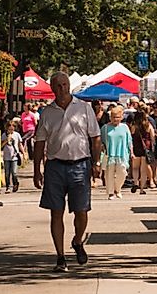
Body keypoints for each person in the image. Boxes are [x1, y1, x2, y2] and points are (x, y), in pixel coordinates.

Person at [33, 72, 101, 272]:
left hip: (80, 164)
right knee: (56, 213)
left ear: (69, 85)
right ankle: (60, 256)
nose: (62, 89)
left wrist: (96, 163)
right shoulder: (47, 112)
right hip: (55, 166)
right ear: (53, 89)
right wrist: (37, 169)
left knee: (81, 211)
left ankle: (78, 240)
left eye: (65, 84)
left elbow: (95, 137)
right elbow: (39, 142)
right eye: (58, 86)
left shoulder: (83, 108)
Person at [100, 106, 132, 199]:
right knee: (109, 174)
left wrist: (132, 152)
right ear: (110, 117)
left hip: (122, 154)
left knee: (122, 173)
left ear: (121, 117)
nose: (116, 119)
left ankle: (117, 189)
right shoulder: (105, 128)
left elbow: (129, 140)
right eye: (114, 117)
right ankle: (111, 193)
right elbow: (101, 141)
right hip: (109, 154)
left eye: (118, 117)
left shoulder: (125, 127)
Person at [129, 111, 155, 194]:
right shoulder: (148, 125)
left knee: (135, 168)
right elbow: (152, 137)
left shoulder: (134, 126)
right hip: (145, 148)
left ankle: (135, 182)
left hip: (136, 147)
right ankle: (142, 189)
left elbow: (131, 136)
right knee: (143, 170)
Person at [2, 119, 26, 193]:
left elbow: (19, 144)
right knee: (7, 173)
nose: (11, 130)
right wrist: (6, 140)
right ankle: (8, 186)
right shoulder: (4, 135)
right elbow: (1, 145)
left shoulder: (17, 135)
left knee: (14, 172)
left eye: (12, 129)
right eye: (9, 129)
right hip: (6, 156)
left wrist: (23, 153)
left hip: (14, 156)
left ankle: (15, 183)